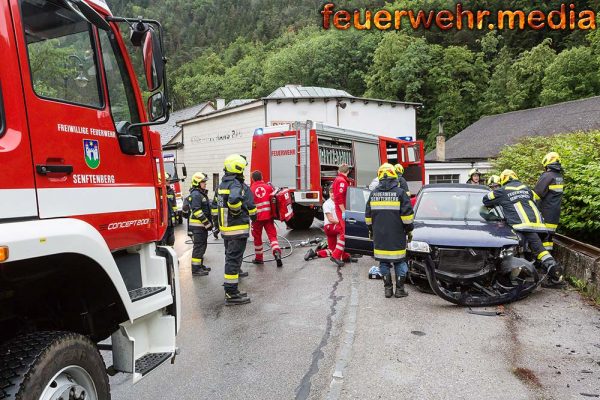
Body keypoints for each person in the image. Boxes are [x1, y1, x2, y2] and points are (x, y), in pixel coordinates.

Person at [483, 169, 563, 286]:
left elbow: (485, 199)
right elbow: (535, 201)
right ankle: (554, 274)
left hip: (522, 226)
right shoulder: (526, 189)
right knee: (540, 250)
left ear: (503, 180)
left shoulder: (502, 191)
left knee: (515, 251)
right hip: (539, 226)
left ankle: (516, 278)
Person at [213, 154, 257, 305]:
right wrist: (237, 212)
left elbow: (216, 206)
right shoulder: (236, 185)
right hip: (236, 229)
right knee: (233, 260)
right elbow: (233, 201)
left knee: (230, 258)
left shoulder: (221, 185)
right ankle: (231, 294)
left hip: (227, 229)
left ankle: (230, 289)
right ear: (237, 168)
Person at [366, 163, 414, 298]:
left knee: (383, 262)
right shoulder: (401, 193)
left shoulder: (373, 194)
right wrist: (409, 231)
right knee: (400, 261)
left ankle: (387, 290)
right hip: (397, 235)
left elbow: (368, 218)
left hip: (380, 236)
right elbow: (408, 218)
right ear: (394, 175)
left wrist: (372, 231)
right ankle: (399, 290)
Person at [304, 197, 356, 263]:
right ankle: (345, 256)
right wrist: (342, 223)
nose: (332, 194)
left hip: (333, 227)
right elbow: (330, 219)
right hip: (329, 226)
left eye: (333, 192)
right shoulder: (327, 204)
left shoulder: (339, 202)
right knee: (344, 232)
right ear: (329, 193)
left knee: (332, 250)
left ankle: (313, 253)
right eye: (331, 192)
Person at [250, 170, 283, 267]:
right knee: (272, 236)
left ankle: (259, 258)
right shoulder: (269, 188)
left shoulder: (251, 190)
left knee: (257, 238)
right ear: (261, 177)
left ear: (253, 179)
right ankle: (276, 252)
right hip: (268, 217)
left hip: (257, 218)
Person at [533, 152, 564, 253]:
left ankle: (542, 260)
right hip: (555, 212)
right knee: (549, 238)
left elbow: (537, 194)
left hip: (545, 212)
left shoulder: (547, 176)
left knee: (542, 237)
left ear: (547, 164)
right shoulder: (559, 176)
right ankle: (549, 258)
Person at [183, 172, 213, 276]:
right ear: (197, 182)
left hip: (201, 227)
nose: (205, 184)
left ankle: (199, 265)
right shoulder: (196, 194)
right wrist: (207, 224)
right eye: (203, 182)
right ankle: (195, 269)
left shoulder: (200, 193)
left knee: (202, 246)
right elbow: (197, 211)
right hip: (198, 226)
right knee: (199, 247)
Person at [330, 163, 351, 267]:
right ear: (348, 172)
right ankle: (335, 255)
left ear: (339, 171)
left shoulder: (339, 179)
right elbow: (339, 198)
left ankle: (345, 255)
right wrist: (344, 211)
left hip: (340, 209)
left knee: (341, 231)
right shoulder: (342, 181)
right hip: (341, 209)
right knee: (344, 233)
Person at [160, 172, 176, 246]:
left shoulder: (171, 191)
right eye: (167, 180)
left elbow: (174, 205)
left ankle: (170, 255)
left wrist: (175, 217)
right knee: (163, 240)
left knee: (171, 239)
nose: (169, 181)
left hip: (171, 221)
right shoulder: (158, 192)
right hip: (163, 222)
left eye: (169, 180)